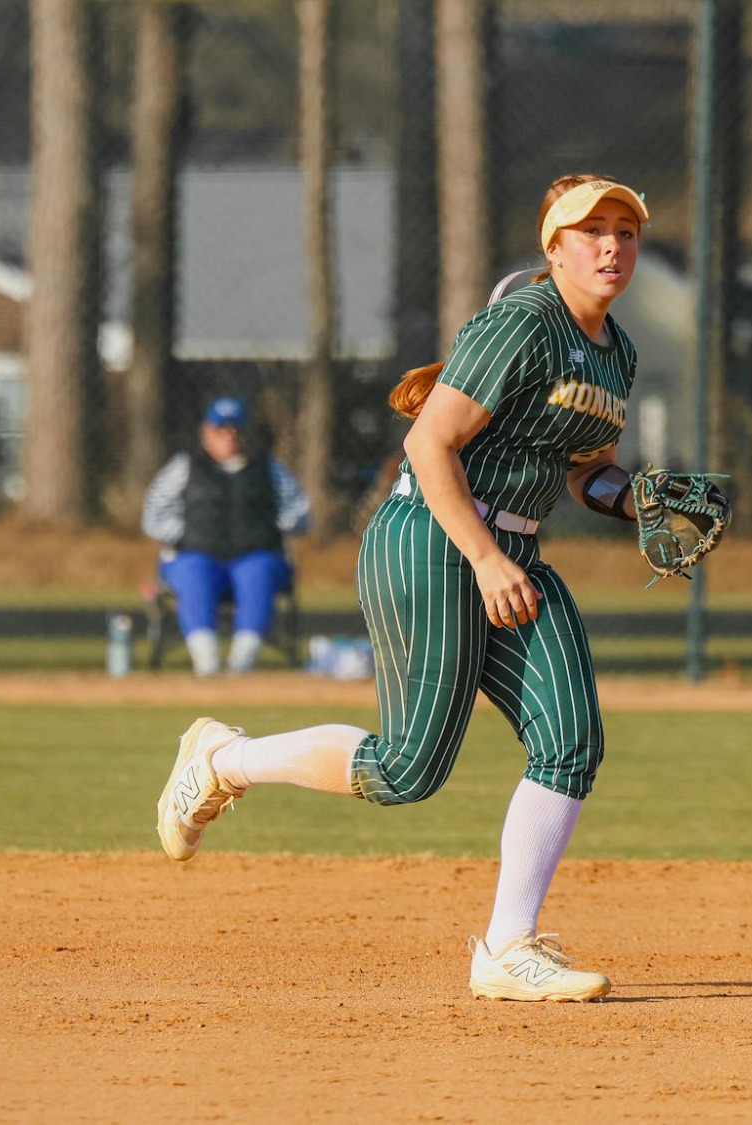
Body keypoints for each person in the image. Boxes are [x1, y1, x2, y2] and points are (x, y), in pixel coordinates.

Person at [156, 173, 659, 1002]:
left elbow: (586, 470)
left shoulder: (618, 351)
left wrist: (632, 498)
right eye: (591, 229)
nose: (611, 246)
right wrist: (487, 559)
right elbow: (430, 448)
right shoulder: (521, 322)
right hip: (430, 536)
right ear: (553, 245)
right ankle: (224, 758)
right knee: (407, 768)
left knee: (571, 738)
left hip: (514, 547)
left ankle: (507, 947)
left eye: (626, 231)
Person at [140, 396, 310, 675]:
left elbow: (301, 513)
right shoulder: (185, 466)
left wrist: (271, 527)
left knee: (258, 572)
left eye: (235, 430)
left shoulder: (268, 469)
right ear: (207, 432)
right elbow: (153, 513)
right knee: (193, 574)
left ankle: (241, 666)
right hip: (198, 555)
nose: (228, 437)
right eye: (221, 429)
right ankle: (207, 665)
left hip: (254, 554)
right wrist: (185, 534)